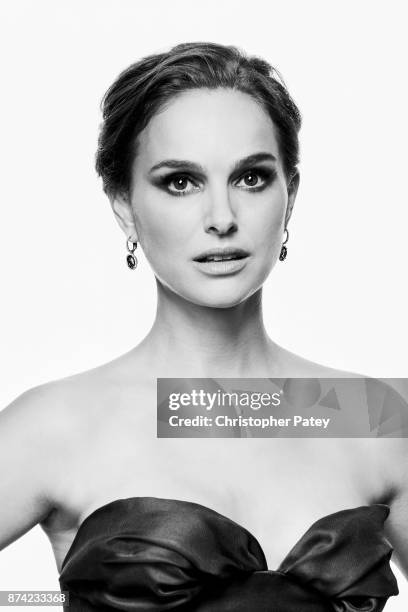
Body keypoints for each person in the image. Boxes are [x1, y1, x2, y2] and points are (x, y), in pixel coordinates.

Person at [0, 41, 405, 610]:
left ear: (290, 196)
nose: (222, 219)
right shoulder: (56, 425)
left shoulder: (374, 416)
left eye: (252, 178)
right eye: (181, 182)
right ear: (123, 205)